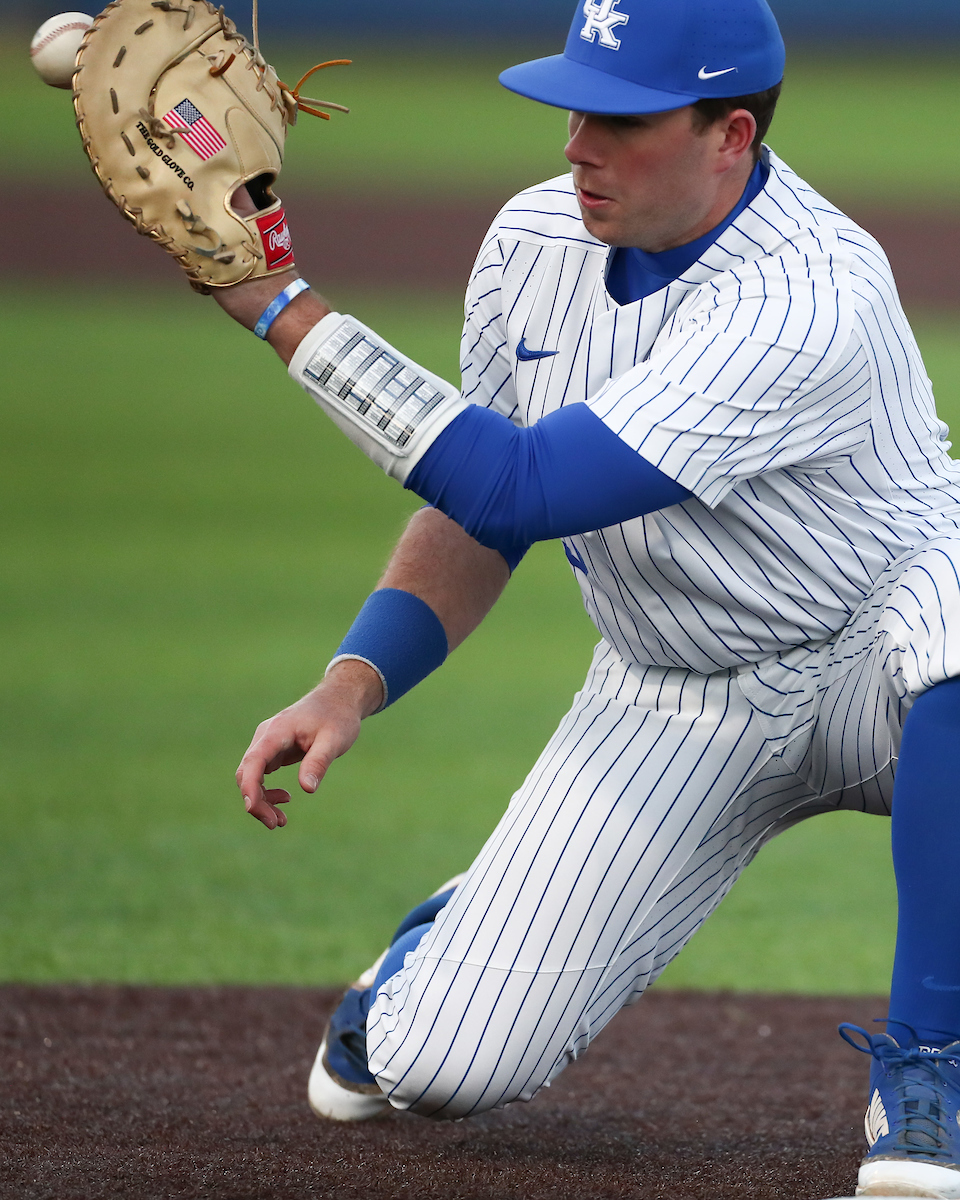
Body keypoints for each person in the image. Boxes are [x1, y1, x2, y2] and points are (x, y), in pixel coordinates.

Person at [214, 0, 960, 1194]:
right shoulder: (529, 243)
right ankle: (454, 932)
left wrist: (278, 305)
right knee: (440, 1067)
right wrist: (353, 678)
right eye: (574, 108)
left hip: (889, 644)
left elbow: (521, 483)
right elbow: (477, 512)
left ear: (731, 136)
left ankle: (933, 1067)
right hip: (677, 696)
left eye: (621, 120)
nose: (577, 144)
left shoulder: (813, 289)